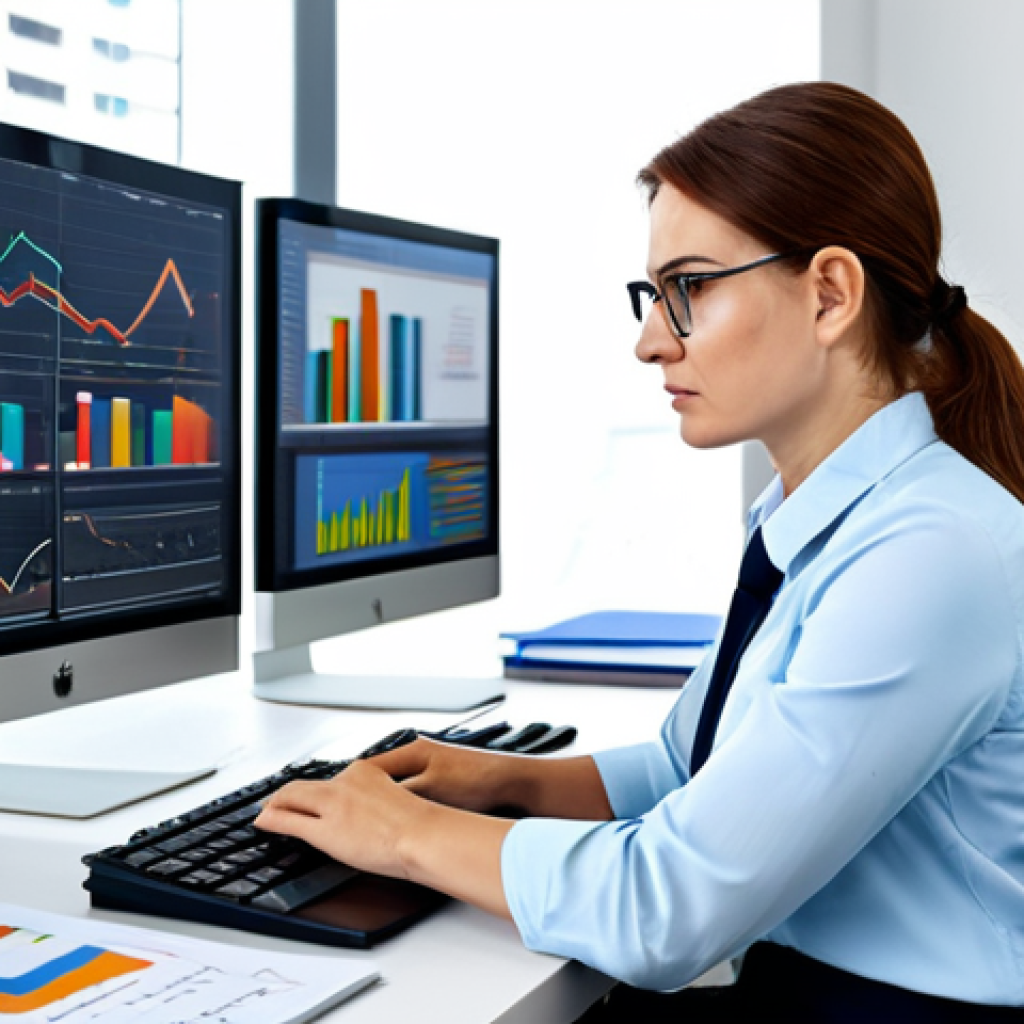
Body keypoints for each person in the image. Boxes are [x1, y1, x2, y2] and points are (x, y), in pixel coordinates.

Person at [254, 82, 1024, 1021]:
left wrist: (407, 835)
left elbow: (667, 909)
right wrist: (502, 778)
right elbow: (690, 771)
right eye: (651, 295)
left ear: (830, 294)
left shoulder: (931, 555)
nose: (650, 341)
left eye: (688, 289)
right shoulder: (817, 517)